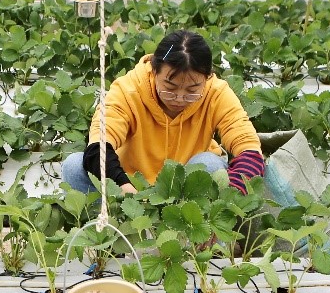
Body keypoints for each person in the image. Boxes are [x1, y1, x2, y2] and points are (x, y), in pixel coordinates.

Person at [61, 29, 266, 195]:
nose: (179, 98)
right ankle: (117, 233)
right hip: (130, 187)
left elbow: (249, 149)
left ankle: (201, 238)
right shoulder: (128, 89)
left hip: (187, 194)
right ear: (154, 70)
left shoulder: (217, 93)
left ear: (207, 77)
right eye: (170, 87)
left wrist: (229, 201)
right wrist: (125, 191)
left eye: (192, 91)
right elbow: (98, 147)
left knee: (210, 165)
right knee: (74, 166)